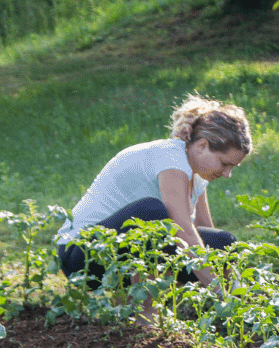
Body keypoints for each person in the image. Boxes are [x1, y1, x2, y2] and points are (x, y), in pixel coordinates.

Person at [56, 95, 252, 289]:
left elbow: (206, 235)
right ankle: (145, 314)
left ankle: (208, 307)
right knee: (154, 213)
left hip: (121, 251)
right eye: (225, 164)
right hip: (81, 256)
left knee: (223, 242)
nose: (227, 174)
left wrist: (233, 289)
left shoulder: (197, 172)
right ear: (202, 145)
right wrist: (220, 294)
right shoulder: (171, 160)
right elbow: (184, 231)